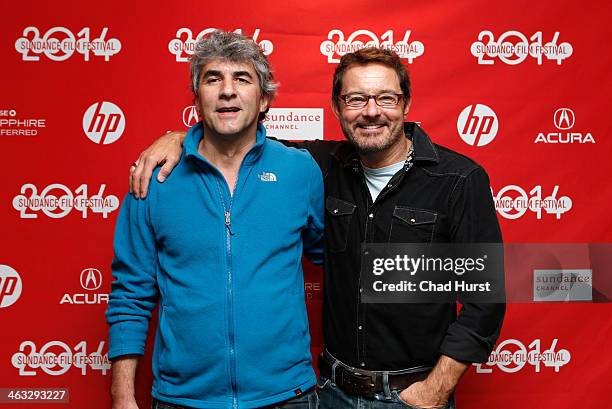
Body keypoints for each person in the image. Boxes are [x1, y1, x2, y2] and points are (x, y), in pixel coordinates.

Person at [130, 46, 505, 409]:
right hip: (331, 391)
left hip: (412, 394)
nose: (371, 112)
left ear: (406, 105)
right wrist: (179, 138)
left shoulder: (458, 179)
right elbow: (235, 139)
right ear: (337, 108)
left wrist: (435, 391)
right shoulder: (318, 166)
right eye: (356, 99)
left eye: (386, 99)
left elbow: (486, 299)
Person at [106, 30, 323, 409]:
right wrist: (122, 396)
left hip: (288, 396)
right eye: (213, 79)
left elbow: (339, 257)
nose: (227, 91)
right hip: (183, 398)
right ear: (197, 98)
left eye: (242, 78)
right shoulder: (154, 178)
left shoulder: (300, 171)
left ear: (264, 99)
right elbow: (131, 291)